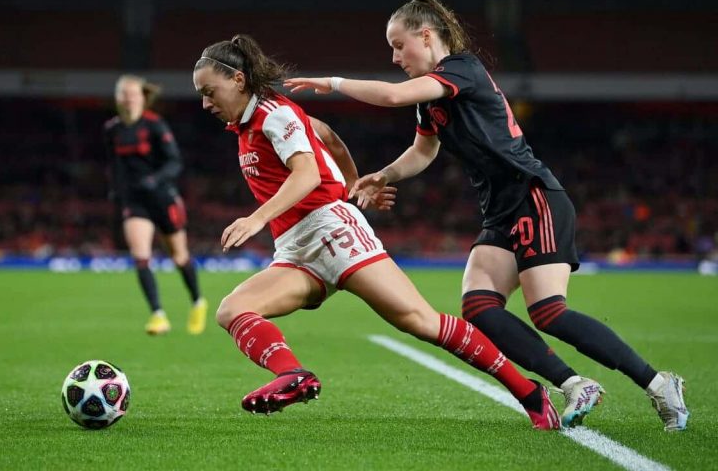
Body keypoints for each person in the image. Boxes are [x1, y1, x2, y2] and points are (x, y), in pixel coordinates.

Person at [284, 0, 689, 432]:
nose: (395, 56)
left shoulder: (461, 68)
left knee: (549, 311)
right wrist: (384, 175)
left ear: (426, 35)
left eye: (399, 45)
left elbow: (391, 95)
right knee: (478, 306)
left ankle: (659, 383)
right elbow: (423, 151)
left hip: (533, 195)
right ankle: (572, 383)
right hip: (500, 211)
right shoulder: (431, 99)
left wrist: (333, 83)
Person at [193, 34, 560, 429]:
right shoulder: (255, 122)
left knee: (420, 321)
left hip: (332, 233)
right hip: (297, 248)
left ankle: (528, 391)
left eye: (210, 91)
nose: (205, 103)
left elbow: (308, 172)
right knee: (232, 309)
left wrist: (257, 218)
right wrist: (354, 187)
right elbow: (326, 135)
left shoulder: (273, 114)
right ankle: (293, 376)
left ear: (238, 80)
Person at [104, 74, 207, 336]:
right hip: (134, 201)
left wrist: (155, 180)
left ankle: (197, 301)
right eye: (122, 94)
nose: (127, 98)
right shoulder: (112, 129)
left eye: (131, 93)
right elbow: (114, 165)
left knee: (179, 257)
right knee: (140, 256)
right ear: (117, 98)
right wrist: (116, 190)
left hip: (162, 198)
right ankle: (158, 315)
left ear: (142, 97)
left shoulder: (154, 125)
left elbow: (174, 162)